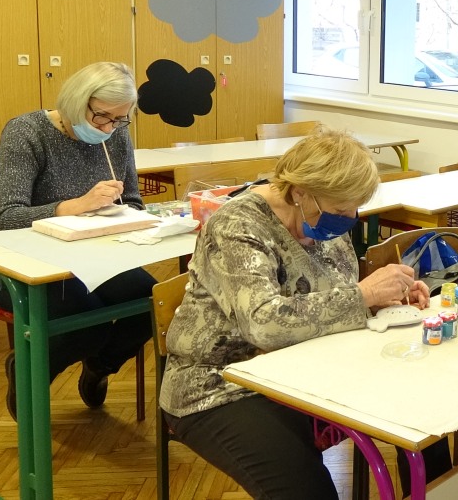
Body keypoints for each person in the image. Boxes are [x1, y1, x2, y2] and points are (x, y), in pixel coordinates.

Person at [159, 128, 433, 500]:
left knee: (422, 416)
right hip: (220, 384)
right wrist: (362, 295)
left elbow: (332, 293)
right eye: (340, 210)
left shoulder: (321, 218)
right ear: (300, 191)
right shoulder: (237, 225)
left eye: (353, 210)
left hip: (304, 370)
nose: (347, 219)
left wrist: (381, 300)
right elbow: (263, 323)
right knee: (306, 490)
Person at [0, 61, 156, 420]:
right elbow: (6, 218)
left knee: (151, 302)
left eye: (119, 119)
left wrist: (129, 214)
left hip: (93, 255)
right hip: (24, 263)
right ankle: (27, 373)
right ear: (76, 101)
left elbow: (133, 201)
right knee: (88, 325)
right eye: (101, 116)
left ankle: (99, 365)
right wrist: (76, 206)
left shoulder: (115, 135)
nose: (108, 128)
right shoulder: (26, 133)